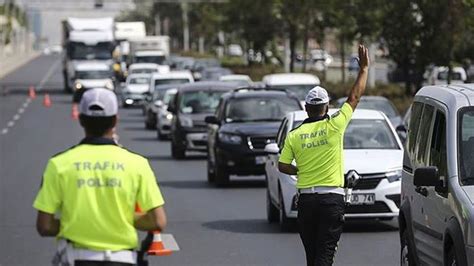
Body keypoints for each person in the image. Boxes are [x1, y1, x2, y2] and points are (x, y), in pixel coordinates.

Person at [33, 88, 167, 266]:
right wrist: (121, 217)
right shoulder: (137, 164)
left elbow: (45, 226)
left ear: (81, 120)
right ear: (115, 121)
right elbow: (158, 221)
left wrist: (75, 222)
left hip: (76, 259)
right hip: (123, 260)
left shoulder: (58, 164)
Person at [278, 44, 370, 266]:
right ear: (327, 108)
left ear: (307, 108)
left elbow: (282, 165)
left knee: (313, 257)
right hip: (331, 200)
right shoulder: (335, 125)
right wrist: (364, 69)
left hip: (307, 202)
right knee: (325, 256)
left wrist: (299, 169)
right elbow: (354, 98)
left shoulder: (295, 134)